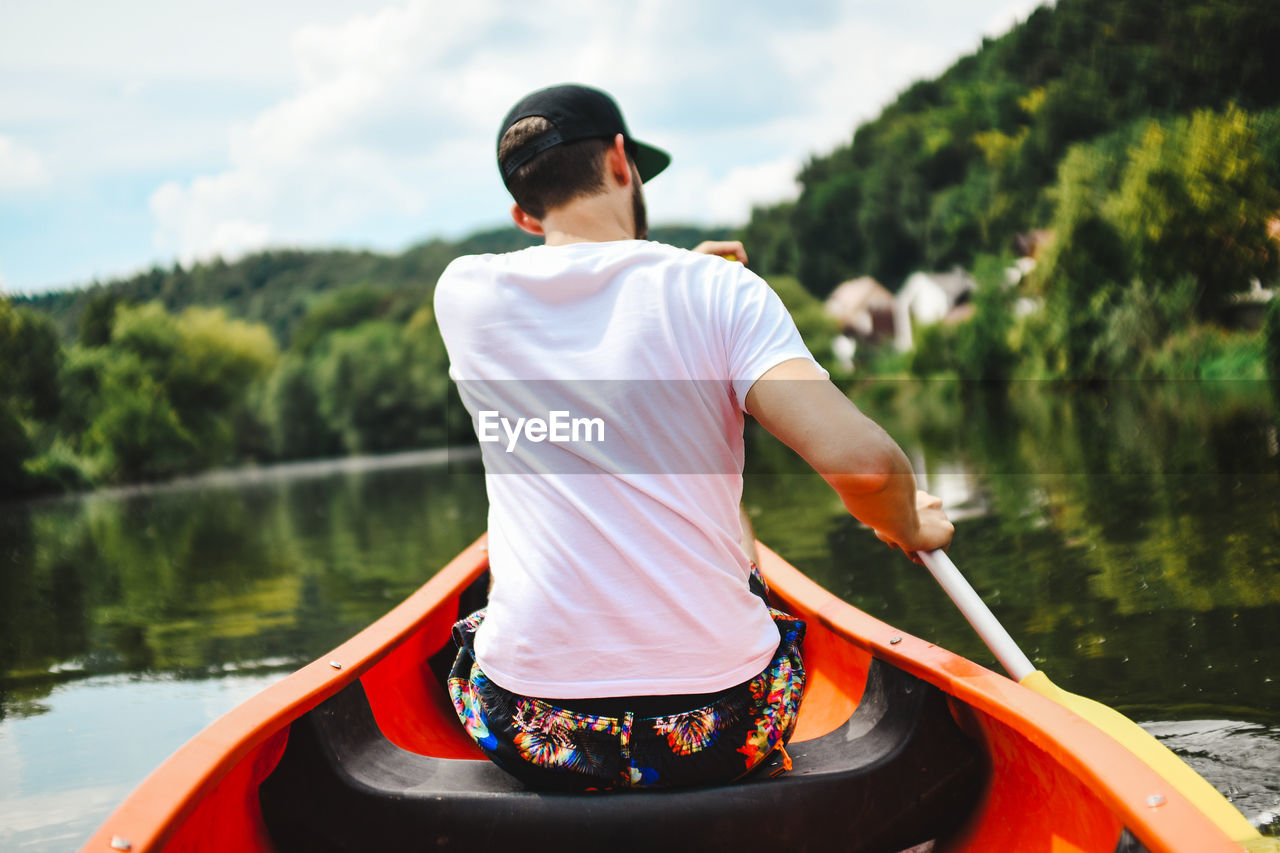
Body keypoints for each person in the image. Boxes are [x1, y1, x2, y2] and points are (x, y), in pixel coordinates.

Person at [434, 83, 953, 792]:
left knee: (469, 631)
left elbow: (598, 307)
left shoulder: (463, 296)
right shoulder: (722, 292)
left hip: (535, 727)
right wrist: (905, 520)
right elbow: (865, 469)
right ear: (622, 161)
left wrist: (677, 279)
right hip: (721, 728)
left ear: (523, 215)